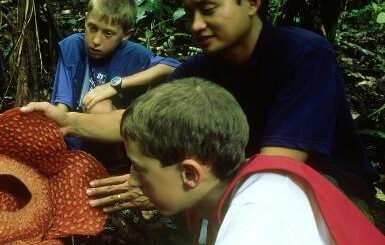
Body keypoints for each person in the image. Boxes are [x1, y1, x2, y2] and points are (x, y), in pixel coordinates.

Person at [21, 0, 377, 211]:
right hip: (238, 182)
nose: (195, 25)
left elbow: (277, 170)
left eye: (208, 9)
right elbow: (133, 122)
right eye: (191, 12)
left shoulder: (303, 55)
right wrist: (67, 121)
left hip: (326, 189)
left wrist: (172, 188)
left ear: (252, 1)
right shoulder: (199, 70)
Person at [118, 78, 384, 244]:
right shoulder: (214, 200)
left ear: (190, 174)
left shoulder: (259, 215)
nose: (132, 180)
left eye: (140, 169)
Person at [51, 0, 179, 163]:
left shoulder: (133, 54)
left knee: (99, 106)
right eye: (92, 28)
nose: (96, 40)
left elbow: (172, 66)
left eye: (108, 33)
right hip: (73, 141)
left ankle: (107, 166)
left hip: (114, 145)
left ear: (126, 34)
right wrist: (53, 134)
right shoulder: (73, 47)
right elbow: (62, 103)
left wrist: (115, 84)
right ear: (86, 19)